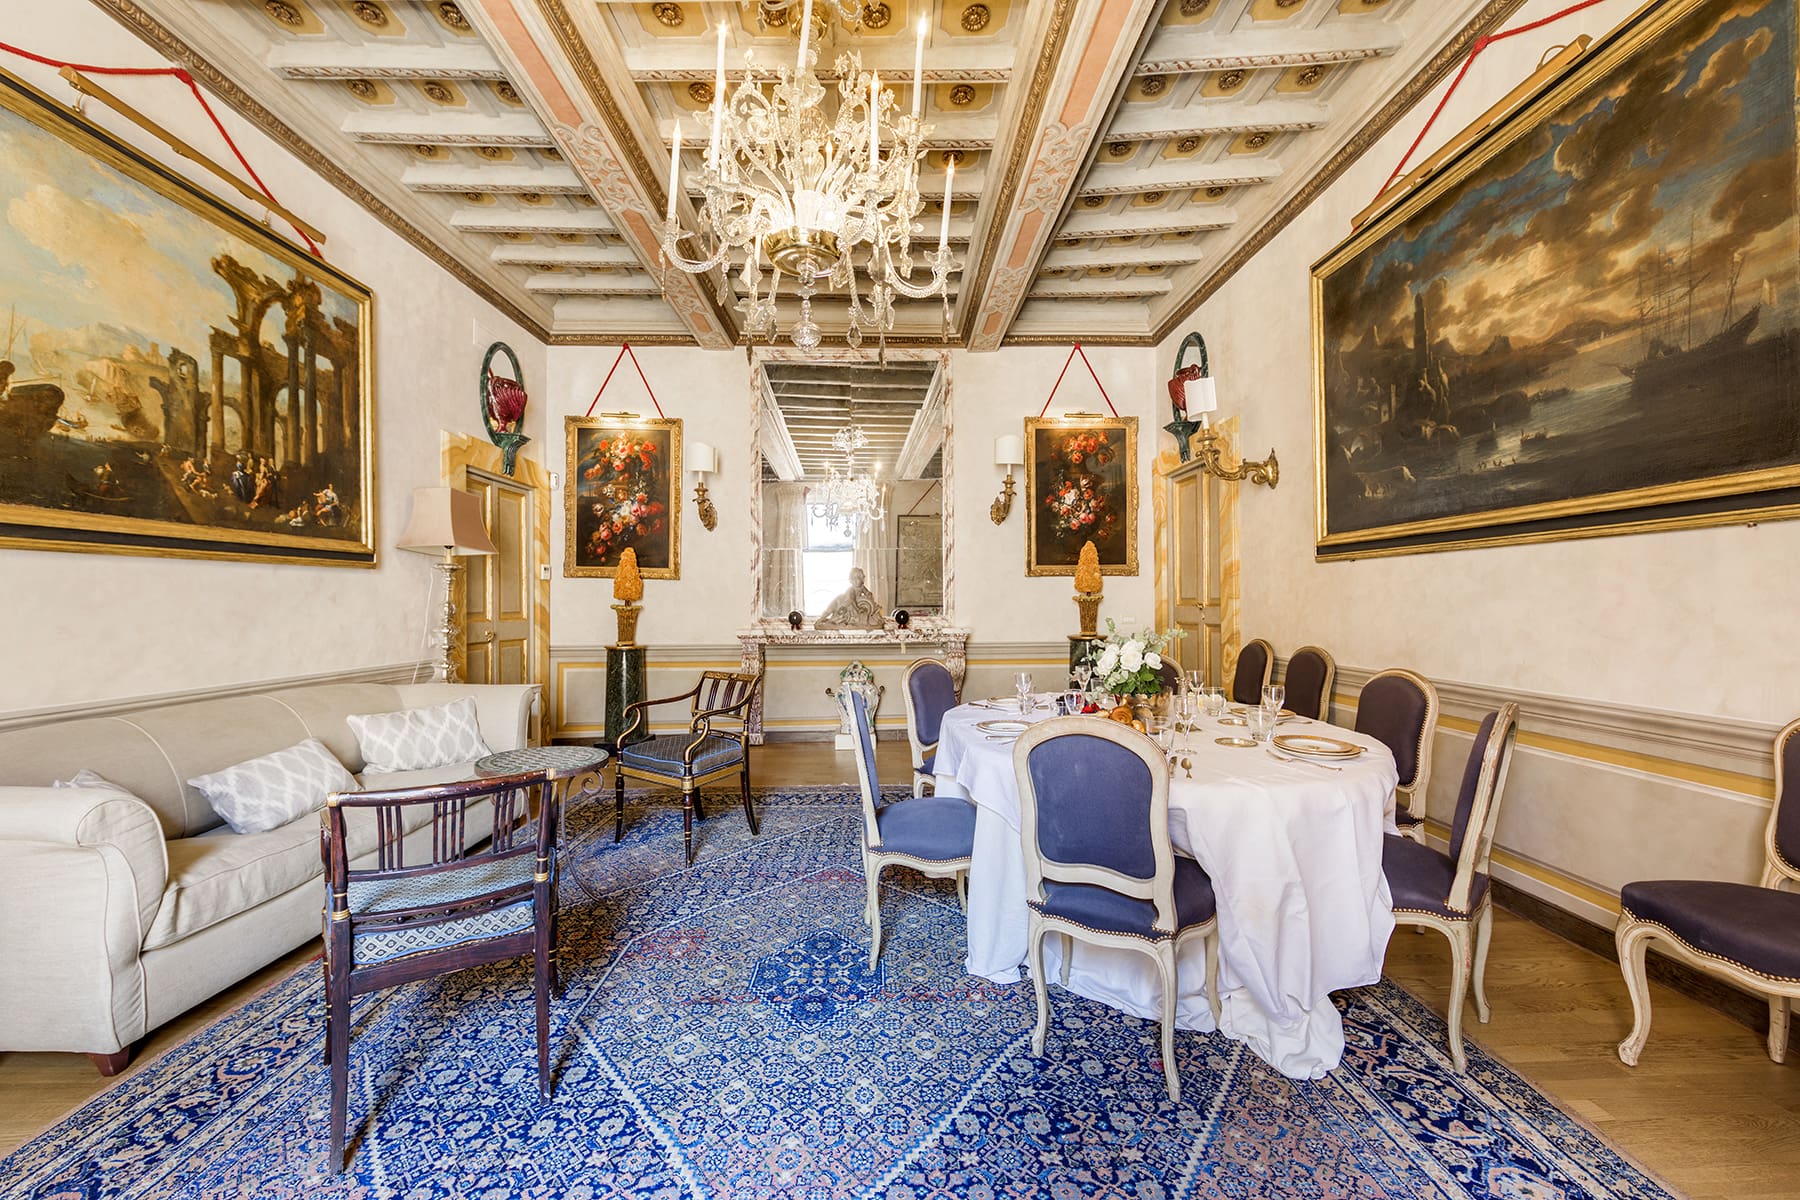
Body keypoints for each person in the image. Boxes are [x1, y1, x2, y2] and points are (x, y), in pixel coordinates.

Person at [815, 567, 884, 630]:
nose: (856, 580)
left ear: (862, 579)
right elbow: (851, 600)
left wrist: (869, 594)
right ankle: (822, 621)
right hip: (842, 602)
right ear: (851, 580)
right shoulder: (851, 590)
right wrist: (857, 609)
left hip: (854, 603)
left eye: (858, 578)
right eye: (854, 578)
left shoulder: (862, 587)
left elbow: (867, 592)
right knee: (831, 611)